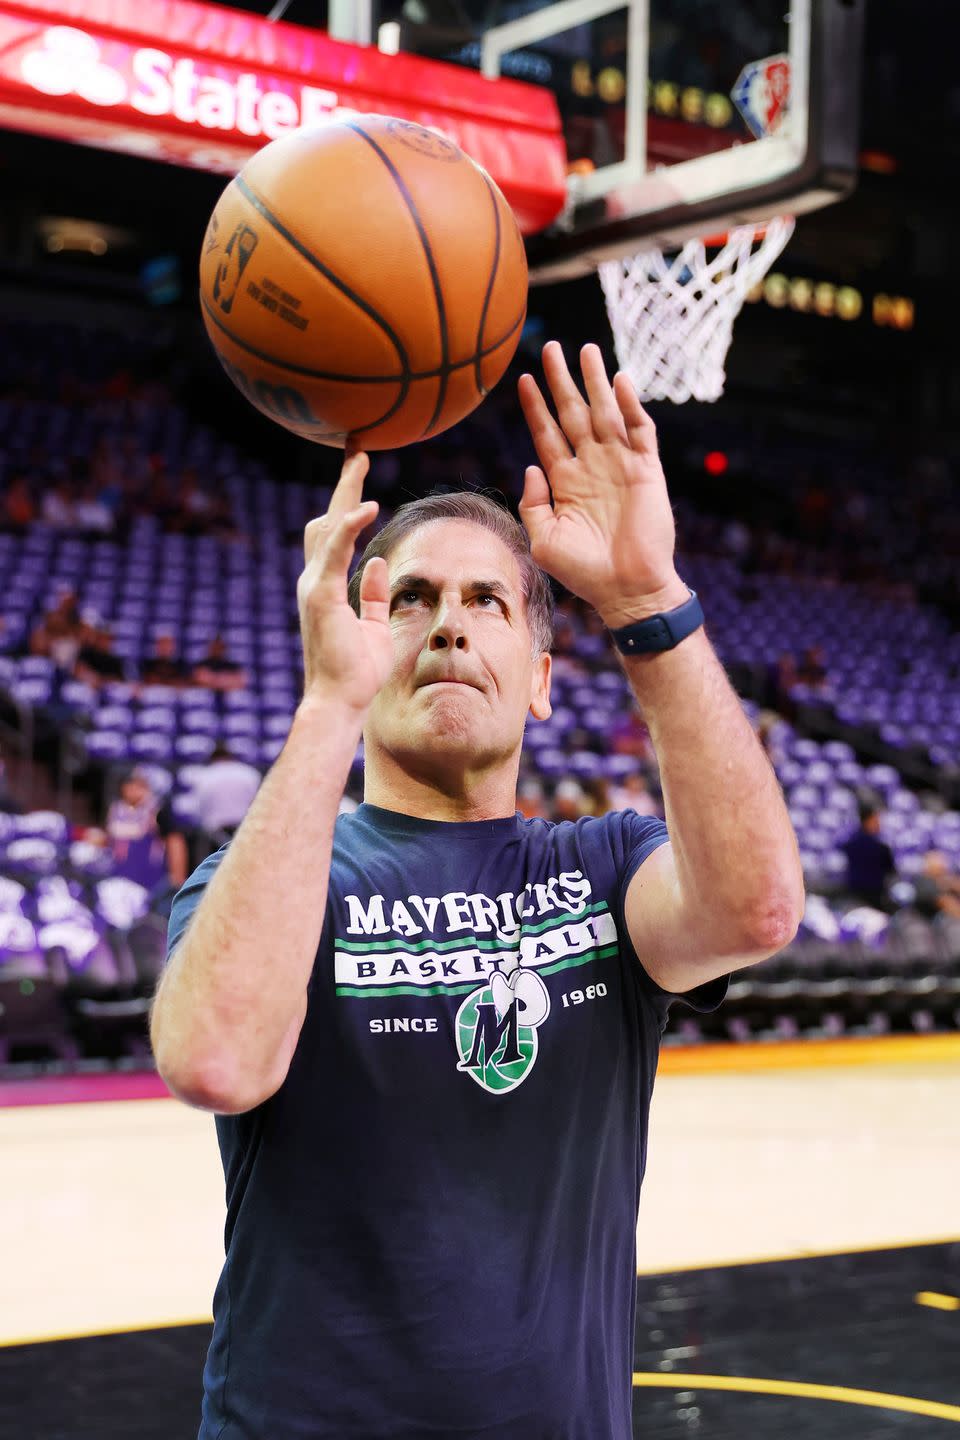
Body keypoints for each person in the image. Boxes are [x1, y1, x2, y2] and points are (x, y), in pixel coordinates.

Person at [150, 342, 804, 1440]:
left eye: (487, 602)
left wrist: (646, 594)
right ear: (360, 642)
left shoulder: (603, 872)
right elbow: (215, 1059)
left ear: (544, 679)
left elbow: (755, 912)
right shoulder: (269, 880)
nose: (448, 622)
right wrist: (325, 710)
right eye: (410, 599)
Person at [188, 742, 262, 852]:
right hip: (243, 829)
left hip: (215, 832)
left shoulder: (204, 775)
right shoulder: (249, 773)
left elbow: (197, 807)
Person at [841, 801, 897, 910]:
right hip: (874, 896)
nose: (879, 824)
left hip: (853, 894)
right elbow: (891, 870)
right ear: (869, 821)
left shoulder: (849, 844)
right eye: (876, 820)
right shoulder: (880, 848)